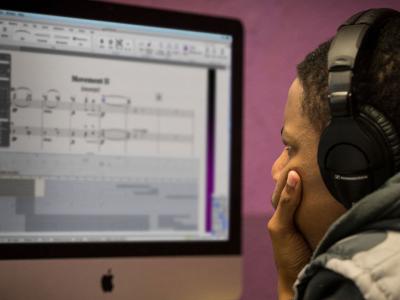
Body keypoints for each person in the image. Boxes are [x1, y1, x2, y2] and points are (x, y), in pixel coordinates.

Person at [267, 8, 400, 300]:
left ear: (353, 165)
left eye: (290, 147)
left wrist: (291, 283)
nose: (277, 170)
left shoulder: (356, 282)